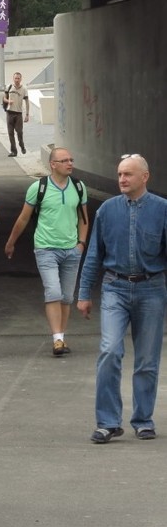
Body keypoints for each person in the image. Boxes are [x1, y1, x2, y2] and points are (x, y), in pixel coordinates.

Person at [76, 154, 167, 444]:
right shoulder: (106, 211)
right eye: (119, 174)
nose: (122, 180)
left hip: (151, 289)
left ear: (145, 177)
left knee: (147, 361)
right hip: (114, 287)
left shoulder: (162, 210)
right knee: (110, 351)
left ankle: (143, 420)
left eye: (128, 174)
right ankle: (108, 422)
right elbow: (94, 255)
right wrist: (83, 294)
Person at [5, 147, 88, 356]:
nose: (70, 163)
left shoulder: (78, 187)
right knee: (53, 292)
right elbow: (24, 217)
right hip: (46, 248)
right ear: (53, 164)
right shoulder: (38, 187)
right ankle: (57, 340)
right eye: (64, 160)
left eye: (71, 159)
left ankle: (61, 336)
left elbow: (83, 219)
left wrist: (81, 244)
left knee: (67, 297)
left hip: (71, 249)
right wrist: (11, 241)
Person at [2, 71, 30, 157]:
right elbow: (3, 98)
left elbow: (27, 102)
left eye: (18, 78)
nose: (17, 80)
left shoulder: (24, 89)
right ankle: (14, 151)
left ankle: (22, 146)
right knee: (10, 133)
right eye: (15, 78)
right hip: (9, 113)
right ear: (13, 79)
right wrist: (8, 101)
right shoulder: (9, 87)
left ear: (21, 79)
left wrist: (27, 114)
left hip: (18, 114)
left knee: (19, 132)